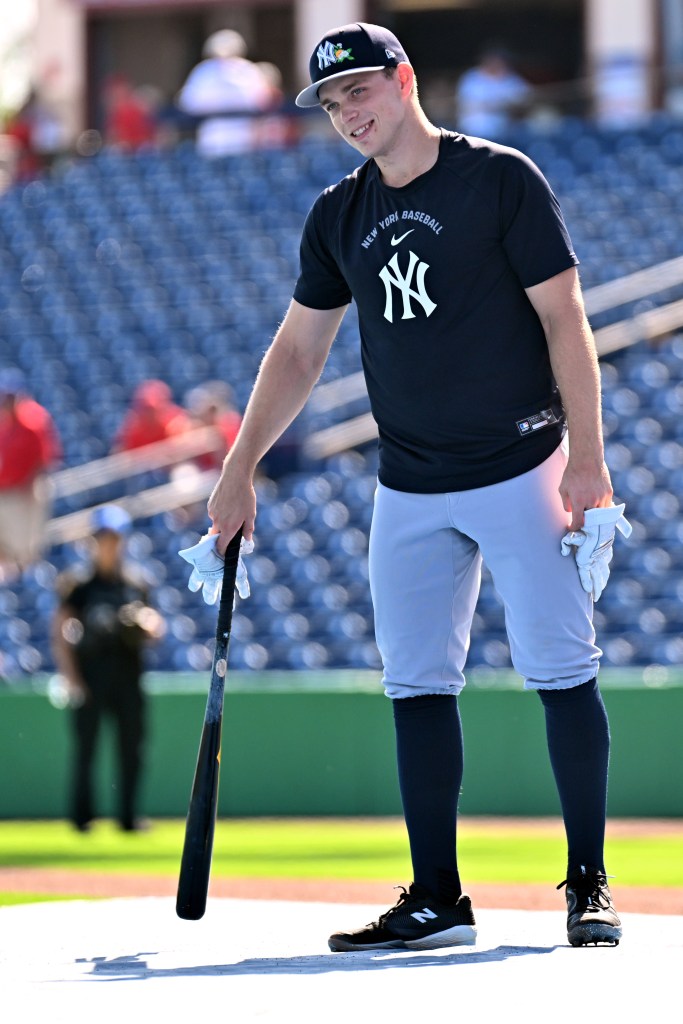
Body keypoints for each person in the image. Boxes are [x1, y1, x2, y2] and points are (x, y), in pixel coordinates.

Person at [183, 22, 629, 950]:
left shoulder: (498, 177)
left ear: (403, 80)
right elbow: (299, 350)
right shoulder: (337, 212)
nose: (349, 114)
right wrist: (238, 468)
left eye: (360, 92)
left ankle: (586, 882)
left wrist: (586, 453)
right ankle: (436, 896)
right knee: (416, 687)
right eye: (334, 102)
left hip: (520, 464)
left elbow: (564, 318)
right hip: (410, 482)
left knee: (561, 672)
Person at [51, 504, 164, 832]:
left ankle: (128, 818)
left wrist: (145, 622)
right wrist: (71, 678)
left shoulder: (136, 583)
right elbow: (60, 631)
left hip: (129, 675)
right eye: (102, 538)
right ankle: (82, 817)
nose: (108, 544)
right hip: (91, 675)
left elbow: (156, 626)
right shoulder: (79, 585)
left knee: (132, 749)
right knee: (86, 748)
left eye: (113, 537)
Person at [176, 29, 277, 157]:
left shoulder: (248, 70)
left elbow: (263, 101)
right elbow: (187, 102)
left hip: (244, 143)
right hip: (212, 143)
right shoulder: (204, 71)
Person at [0, 368, 62, 579]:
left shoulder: (34, 419)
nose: (7, 402)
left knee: (27, 545)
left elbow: (46, 459)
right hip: (6, 490)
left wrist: (31, 485)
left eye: (10, 397)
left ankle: (28, 569)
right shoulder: (3, 422)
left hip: (27, 489)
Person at [455, 45, 532, 138]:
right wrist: (501, 104)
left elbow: (527, 99)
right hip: (473, 133)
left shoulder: (510, 78)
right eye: (493, 59)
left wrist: (509, 105)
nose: (497, 63)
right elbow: (468, 104)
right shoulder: (472, 77)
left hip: (505, 134)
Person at [112, 379, 190, 454]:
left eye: (151, 410)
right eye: (145, 410)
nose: (149, 414)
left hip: (170, 466)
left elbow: (184, 449)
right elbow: (120, 451)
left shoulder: (174, 422)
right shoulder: (132, 427)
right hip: (142, 466)